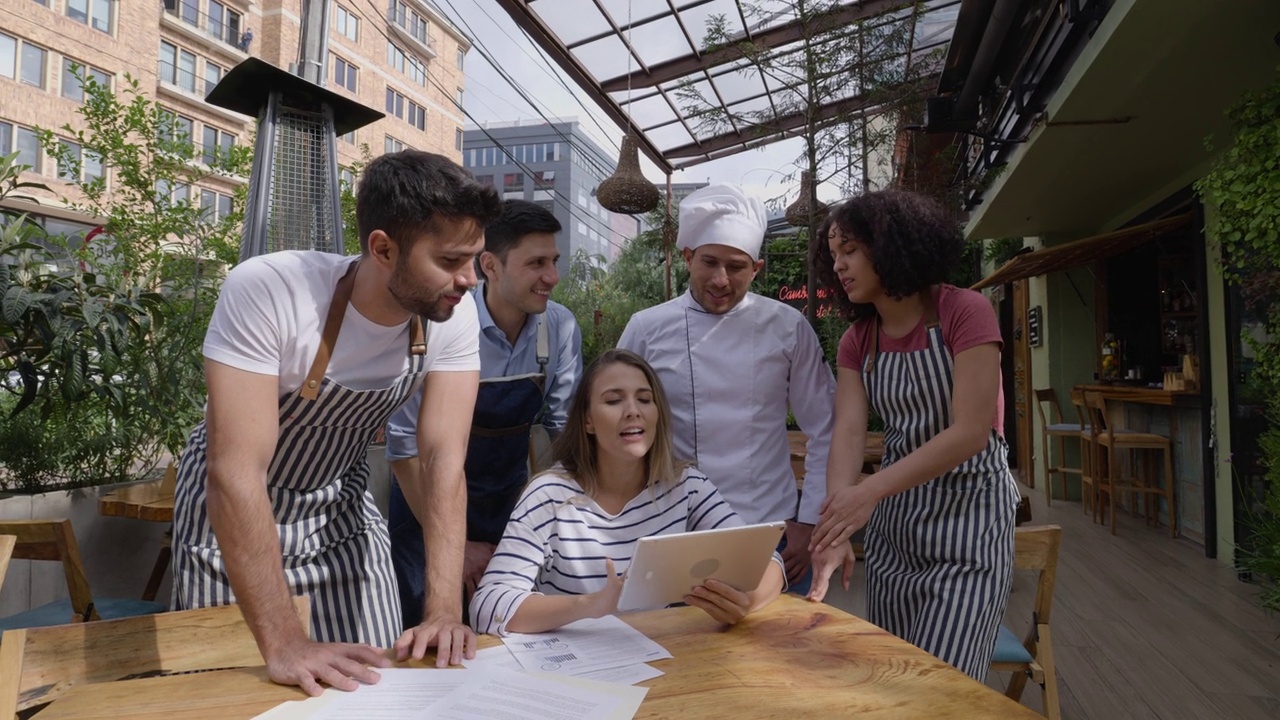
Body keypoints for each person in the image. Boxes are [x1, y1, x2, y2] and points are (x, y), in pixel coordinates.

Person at [170, 150, 501, 695]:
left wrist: (444, 610)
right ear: (382, 247)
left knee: (376, 684)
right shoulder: (270, 290)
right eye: (449, 261)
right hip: (230, 515)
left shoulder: (452, 310)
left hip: (338, 512)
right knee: (245, 696)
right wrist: (283, 641)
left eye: (475, 258)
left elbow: (443, 461)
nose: (469, 279)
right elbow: (235, 472)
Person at [805, 190, 1019, 681]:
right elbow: (848, 436)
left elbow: (970, 433)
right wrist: (838, 527)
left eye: (851, 250)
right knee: (895, 679)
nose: (839, 265)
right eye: (833, 254)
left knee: (943, 684)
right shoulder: (859, 341)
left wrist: (869, 492)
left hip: (971, 524)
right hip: (896, 532)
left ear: (891, 244)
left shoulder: (966, 312)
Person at [470, 349, 785, 635]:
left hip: (657, 666)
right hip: (566, 674)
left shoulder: (686, 487)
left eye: (645, 399)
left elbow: (768, 561)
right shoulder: (548, 495)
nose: (633, 411)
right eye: (613, 400)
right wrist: (590, 606)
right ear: (588, 420)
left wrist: (746, 601)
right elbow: (486, 608)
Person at [617, 184, 835, 593]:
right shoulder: (646, 328)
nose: (721, 280)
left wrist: (809, 522)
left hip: (772, 528)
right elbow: (616, 427)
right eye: (709, 263)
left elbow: (825, 426)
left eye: (736, 267)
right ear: (686, 258)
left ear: (757, 267)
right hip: (673, 525)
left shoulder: (788, 327)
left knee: (776, 651)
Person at [385, 199, 583, 628]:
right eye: (536, 263)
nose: (552, 277)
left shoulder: (560, 329)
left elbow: (565, 437)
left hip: (506, 512)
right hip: (423, 512)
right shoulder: (438, 326)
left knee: (503, 633)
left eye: (554, 261)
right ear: (490, 265)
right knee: (423, 638)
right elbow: (405, 451)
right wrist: (456, 547)